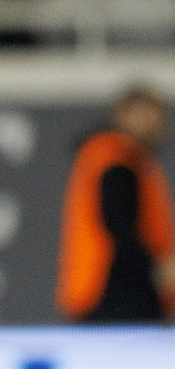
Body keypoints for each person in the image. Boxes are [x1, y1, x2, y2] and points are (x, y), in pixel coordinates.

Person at [57, 86, 175, 323]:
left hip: (106, 291)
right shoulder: (114, 159)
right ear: (123, 114)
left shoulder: (125, 159)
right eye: (142, 114)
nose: (150, 124)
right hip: (110, 291)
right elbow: (118, 223)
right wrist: (156, 267)